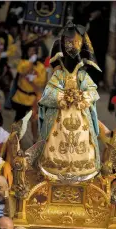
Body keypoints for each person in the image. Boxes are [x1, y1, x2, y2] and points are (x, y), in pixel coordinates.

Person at [38, 22, 102, 178]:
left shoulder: (82, 76)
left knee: (82, 145)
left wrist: (82, 97)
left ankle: (83, 171)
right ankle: (54, 169)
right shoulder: (58, 76)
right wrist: (63, 97)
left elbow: (93, 92)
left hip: (80, 117)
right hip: (59, 118)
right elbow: (47, 95)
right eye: (69, 42)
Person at [8, 33, 47, 143]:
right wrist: (30, 63)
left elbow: (42, 82)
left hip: (33, 98)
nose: (32, 53)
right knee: (19, 120)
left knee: (34, 120)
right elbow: (21, 71)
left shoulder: (40, 67)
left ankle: (35, 139)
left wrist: (32, 80)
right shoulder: (23, 62)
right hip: (21, 97)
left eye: (34, 51)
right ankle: (16, 139)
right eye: (31, 51)